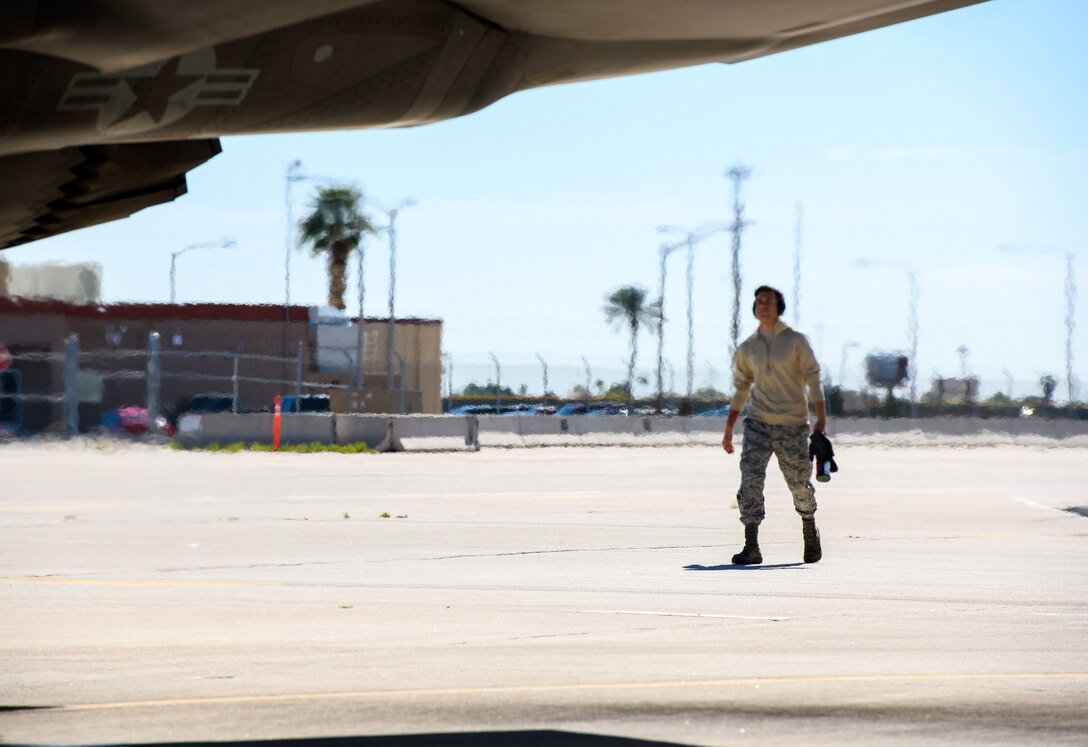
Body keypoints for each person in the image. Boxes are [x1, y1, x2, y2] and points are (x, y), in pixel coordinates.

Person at [722, 285, 826, 565]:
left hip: (792, 425)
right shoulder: (748, 347)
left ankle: (809, 527)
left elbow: (813, 379)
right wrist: (730, 427)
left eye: (768, 301)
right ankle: (751, 545)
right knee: (750, 481)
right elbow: (742, 387)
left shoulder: (795, 341)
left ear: (779, 307)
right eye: (758, 301)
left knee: (798, 484)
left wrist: (821, 420)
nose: (763, 305)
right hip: (757, 424)